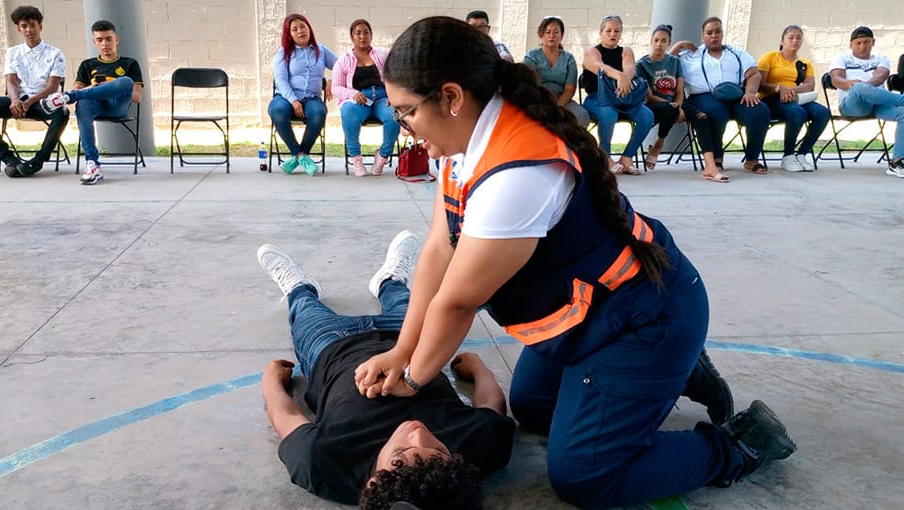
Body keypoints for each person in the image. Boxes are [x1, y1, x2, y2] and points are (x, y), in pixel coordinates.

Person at [353, 17, 796, 509]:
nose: (404, 127)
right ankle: (676, 373)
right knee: (533, 408)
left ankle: (736, 446)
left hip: (646, 318)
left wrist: (414, 380)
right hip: (599, 315)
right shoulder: (464, 143)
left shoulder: (516, 174)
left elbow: (456, 302)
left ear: (452, 97)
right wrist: (401, 351)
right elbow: (439, 249)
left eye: (406, 112)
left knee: (585, 476)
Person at [257, 231, 515, 508]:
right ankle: (390, 279)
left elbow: (288, 417)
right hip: (408, 339)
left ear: (374, 481)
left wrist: (271, 384)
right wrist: (479, 371)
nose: (418, 433)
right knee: (409, 301)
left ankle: (298, 287)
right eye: (439, 449)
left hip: (331, 348)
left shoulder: (324, 462)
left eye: (401, 453)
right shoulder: (470, 459)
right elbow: (491, 406)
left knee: (306, 311)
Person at [40, 19, 143, 185]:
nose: (105, 44)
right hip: (95, 105)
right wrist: (93, 87)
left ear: (116, 39)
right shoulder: (87, 65)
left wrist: (109, 86)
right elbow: (81, 91)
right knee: (83, 102)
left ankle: (68, 96)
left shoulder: (130, 63)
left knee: (126, 82)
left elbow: (137, 97)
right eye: (100, 40)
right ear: (95, 42)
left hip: (117, 105)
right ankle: (92, 164)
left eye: (108, 39)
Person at [0, 5, 68, 178]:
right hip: (17, 100)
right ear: (19, 28)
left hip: (41, 101)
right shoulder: (13, 52)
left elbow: (52, 87)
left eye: (32, 25)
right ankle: (9, 158)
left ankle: (38, 160)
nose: (29, 30)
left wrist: (28, 102)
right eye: (24, 26)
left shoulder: (55, 53)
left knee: (63, 111)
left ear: (40, 26)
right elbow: (11, 80)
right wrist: (15, 100)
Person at [670, 17, 771, 175]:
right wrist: (679, 45)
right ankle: (716, 158)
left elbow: (754, 74)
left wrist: (750, 91)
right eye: (709, 33)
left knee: (760, 111)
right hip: (703, 96)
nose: (714, 36)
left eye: (717, 32)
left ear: (722, 33)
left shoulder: (735, 52)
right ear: (702, 36)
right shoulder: (692, 55)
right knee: (716, 112)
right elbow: (667, 64)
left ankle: (752, 159)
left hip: (736, 95)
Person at [581, 14, 655, 175]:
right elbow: (600, 66)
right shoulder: (592, 52)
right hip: (597, 98)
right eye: (608, 31)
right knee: (609, 113)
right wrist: (620, 77)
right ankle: (605, 156)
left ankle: (627, 157)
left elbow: (630, 69)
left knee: (647, 115)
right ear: (601, 33)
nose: (613, 34)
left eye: (617, 31)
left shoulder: (626, 51)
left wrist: (624, 80)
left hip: (624, 97)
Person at [829, 26, 904, 177]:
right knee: (858, 88)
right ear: (851, 44)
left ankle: (897, 162)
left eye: (866, 42)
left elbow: (881, 76)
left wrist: (866, 88)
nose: (862, 46)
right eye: (858, 43)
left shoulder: (880, 59)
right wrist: (853, 86)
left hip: (878, 104)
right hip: (852, 105)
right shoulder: (843, 58)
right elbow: (836, 79)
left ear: (873, 42)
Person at [269, 14, 337, 176]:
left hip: (311, 99)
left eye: (303, 26)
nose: (300, 31)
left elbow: (342, 65)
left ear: (309, 28)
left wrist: (332, 80)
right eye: (295, 29)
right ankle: (300, 155)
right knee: (277, 111)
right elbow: (280, 80)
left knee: (319, 113)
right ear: (289, 34)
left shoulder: (321, 50)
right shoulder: (283, 53)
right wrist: (293, 101)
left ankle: (299, 156)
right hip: (286, 98)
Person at [757, 25, 831, 173]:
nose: (794, 41)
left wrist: (790, 90)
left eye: (798, 37)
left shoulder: (804, 63)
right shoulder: (770, 57)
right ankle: (788, 156)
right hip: (772, 99)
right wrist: (779, 89)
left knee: (823, 113)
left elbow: (810, 85)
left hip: (797, 98)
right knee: (797, 113)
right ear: (782, 40)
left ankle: (802, 153)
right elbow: (760, 84)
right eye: (790, 37)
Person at [331, 19, 398, 177]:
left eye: (366, 32)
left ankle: (382, 156)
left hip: (382, 98)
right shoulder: (344, 61)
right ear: (352, 37)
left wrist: (394, 96)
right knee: (348, 111)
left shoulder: (383, 56)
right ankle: (356, 158)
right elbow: (336, 87)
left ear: (371, 35)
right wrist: (352, 94)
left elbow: (396, 77)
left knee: (394, 114)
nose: (362, 36)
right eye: (358, 33)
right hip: (359, 99)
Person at [522, 16, 590, 127]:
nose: (551, 35)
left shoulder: (569, 58)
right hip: (538, 100)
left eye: (556, 32)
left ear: (561, 35)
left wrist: (558, 106)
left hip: (562, 100)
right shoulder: (531, 57)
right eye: (548, 32)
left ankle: (568, 144)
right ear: (541, 35)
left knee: (582, 116)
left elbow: (570, 89)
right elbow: (531, 85)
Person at [637, 24, 685, 171]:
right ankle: (658, 146)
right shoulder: (642, 65)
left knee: (698, 114)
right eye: (656, 40)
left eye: (663, 41)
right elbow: (649, 97)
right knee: (669, 110)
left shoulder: (675, 62)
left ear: (669, 43)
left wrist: (679, 106)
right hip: (653, 104)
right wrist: (674, 107)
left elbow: (680, 90)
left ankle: (658, 143)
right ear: (651, 41)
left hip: (673, 104)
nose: (659, 44)